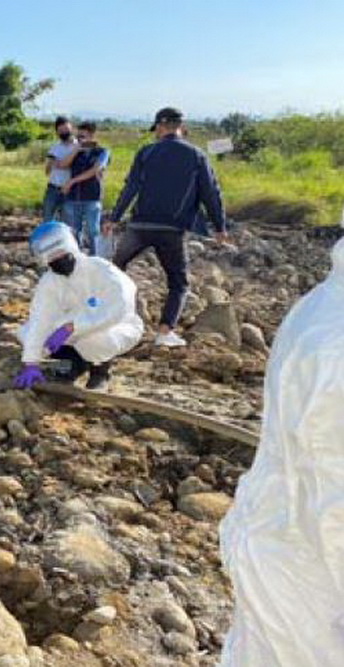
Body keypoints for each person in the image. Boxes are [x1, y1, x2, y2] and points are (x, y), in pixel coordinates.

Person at [218, 231, 344, 666]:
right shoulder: (335, 343)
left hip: (284, 557)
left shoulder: (321, 307)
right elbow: (333, 506)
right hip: (306, 583)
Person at [106, 107, 230, 347]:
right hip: (171, 229)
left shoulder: (147, 152)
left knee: (115, 269)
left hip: (139, 225)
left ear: (161, 127)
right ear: (180, 127)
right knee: (178, 282)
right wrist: (219, 226)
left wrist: (114, 217)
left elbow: (131, 188)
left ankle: (104, 316)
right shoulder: (197, 155)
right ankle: (164, 332)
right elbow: (211, 193)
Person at [13, 221, 144, 391]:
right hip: (73, 329)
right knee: (26, 333)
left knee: (92, 341)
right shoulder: (50, 281)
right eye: (49, 256)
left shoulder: (100, 269)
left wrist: (72, 327)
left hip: (116, 327)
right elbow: (40, 319)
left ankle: (100, 372)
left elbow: (119, 308)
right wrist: (31, 362)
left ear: (70, 245)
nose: (55, 259)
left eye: (59, 251)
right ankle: (74, 365)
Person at [58, 121, 110, 254]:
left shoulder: (102, 151)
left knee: (93, 230)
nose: (80, 139)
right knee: (74, 230)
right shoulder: (75, 151)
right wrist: (76, 150)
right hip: (73, 197)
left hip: (92, 197)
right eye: (78, 136)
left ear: (92, 136)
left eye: (83, 136)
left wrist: (72, 181)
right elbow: (63, 165)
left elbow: (95, 170)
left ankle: (97, 257)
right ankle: (77, 259)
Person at [42, 117, 77, 222]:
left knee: (67, 221)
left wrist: (59, 163)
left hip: (71, 189)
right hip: (53, 188)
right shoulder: (55, 147)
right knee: (48, 218)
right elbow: (48, 169)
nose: (64, 132)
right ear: (57, 132)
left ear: (72, 128)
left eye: (66, 129)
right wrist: (54, 164)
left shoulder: (79, 147)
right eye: (61, 130)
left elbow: (63, 165)